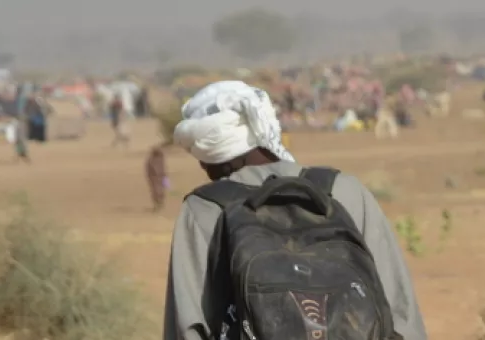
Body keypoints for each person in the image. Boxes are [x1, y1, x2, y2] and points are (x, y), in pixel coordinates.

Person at [163, 81, 426, 340]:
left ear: (212, 154)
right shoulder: (344, 192)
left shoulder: (204, 209)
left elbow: (187, 327)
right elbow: (401, 312)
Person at [145, 144, 168, 212]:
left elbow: (163, 169)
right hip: (154, 178)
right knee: (156, 192)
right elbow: (149, 170)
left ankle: (159, 204)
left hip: (161, 177)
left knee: (161, 191)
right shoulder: (151, 160)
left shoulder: (160, 158)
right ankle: (157, 205)